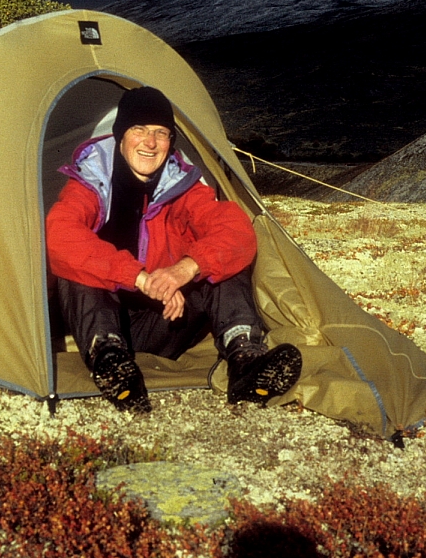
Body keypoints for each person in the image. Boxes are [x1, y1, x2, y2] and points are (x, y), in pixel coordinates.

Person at [46, 86, 301, 412]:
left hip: (166, 320)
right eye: (139, 129)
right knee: (77, 264)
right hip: (101, 323)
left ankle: (244, 360)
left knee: (221, 260)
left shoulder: (180, 185)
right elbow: (60, 235)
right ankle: (112, 364)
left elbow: (235, 230)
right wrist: (140, 278)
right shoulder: (90, 182)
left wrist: (185, 269)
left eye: (161, 133)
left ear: (170, 141)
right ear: (121, 134)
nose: (150, 143)